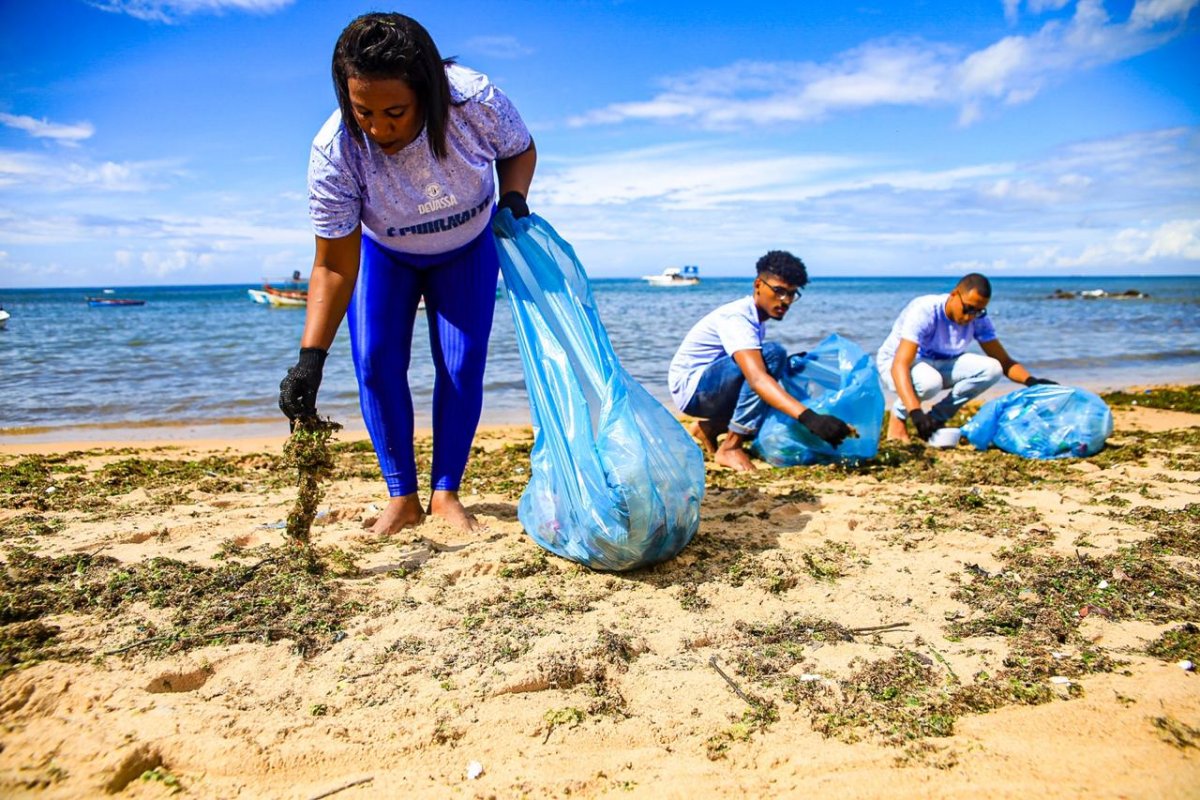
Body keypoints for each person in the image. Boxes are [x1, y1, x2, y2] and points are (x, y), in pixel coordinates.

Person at [278, 13, 537, 534]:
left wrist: (513, 199)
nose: (378, 128)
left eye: (394, 111)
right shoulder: (335, 152)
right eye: (362, 111)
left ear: (429, 90)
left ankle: (446, 493)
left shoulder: (474, 102)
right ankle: (402, 496)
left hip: (466, 248)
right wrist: (309, 359)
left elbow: (519, 150)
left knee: (461, 367)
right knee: (375, 362)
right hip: (385, 255)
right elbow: (332, 264)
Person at [668, 251, 854, 472]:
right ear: (758, 284)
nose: (785, 301)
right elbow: (756, 378)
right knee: (773, 355)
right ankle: (731, 447)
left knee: (777, 399)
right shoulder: (738, 318)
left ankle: (708, 428)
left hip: (707, 391)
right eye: (779, 291)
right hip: (694, 390)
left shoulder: (757, 320)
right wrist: (810, 419)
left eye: (792, 294)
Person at [877, 273, 1055, 442]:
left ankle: (936, 419)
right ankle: (898, 418)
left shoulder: (978, 318)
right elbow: (900, 365)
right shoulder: (925, 310)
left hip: (939, 365)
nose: (971, 316)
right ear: (954, 294)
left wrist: (1032, 381)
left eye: (978, 311)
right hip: (896, 364)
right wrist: (915, 412)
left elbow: (1004, 362)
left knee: (993, 369)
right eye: (968, 308)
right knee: (930, 382)